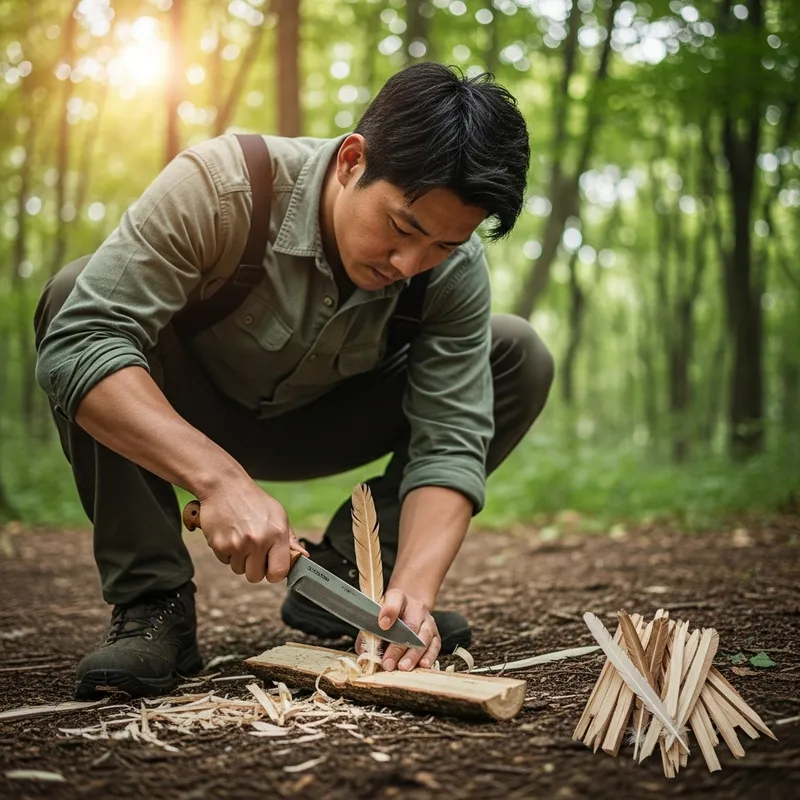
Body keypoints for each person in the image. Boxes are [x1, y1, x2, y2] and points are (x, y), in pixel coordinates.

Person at [34, 62, 554, 700]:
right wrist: (217, 478)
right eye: (404, 227)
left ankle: (354, 589)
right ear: (352, 160)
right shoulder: (222, 187)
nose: (409, 264)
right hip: (185, 416)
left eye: (445, 245)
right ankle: (155, 604)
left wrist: (415, 593)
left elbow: (450, 441)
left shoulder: (451, 270)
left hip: (325, 423)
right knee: (72, 296)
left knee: (518, 354)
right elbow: (80, 342)